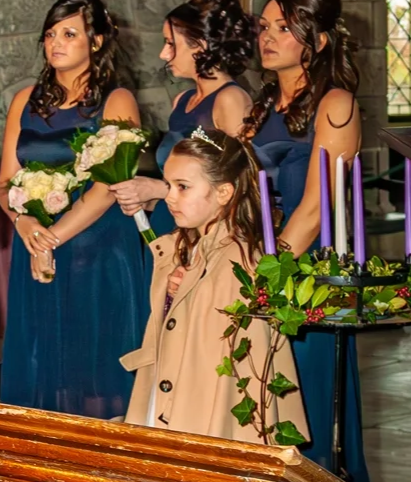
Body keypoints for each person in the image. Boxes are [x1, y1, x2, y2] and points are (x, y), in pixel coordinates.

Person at [0, 0, 152, 418]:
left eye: (69, 33)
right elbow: (6, 181)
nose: (55, 43)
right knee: (42, 368)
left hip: (96, 253)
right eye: (50, 34)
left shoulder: (116, 100)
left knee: (95, 376)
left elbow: (109, 186)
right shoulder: (24, 101)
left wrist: (51, 238)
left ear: (97, 41)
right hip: (36, 250)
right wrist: (25, 223)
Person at [243, 0, 370, 482]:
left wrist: (265, 277)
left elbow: (316, 208)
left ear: (316, 41)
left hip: (306, 277)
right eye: (264, 27)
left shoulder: (335, 104)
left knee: (307, 405)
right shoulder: (262, 104)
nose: (268, 38)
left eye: (284, 28)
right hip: (257, 261)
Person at [122, 128, 308, 444]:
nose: (169, 197)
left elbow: (230, 364)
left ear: (223, 193)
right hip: (172, 390)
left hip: (204, 409)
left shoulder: (238, 260)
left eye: (182, 187)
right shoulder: (187, 244)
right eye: (168, 185)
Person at [107, 0, 255, 239]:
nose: (163, 54)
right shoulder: (182, 100)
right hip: (173, 225)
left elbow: (240, 186)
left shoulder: (230, 100)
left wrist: (156, 188)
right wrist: (150, 200)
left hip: (212, 234)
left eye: (170, 44)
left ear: (199, 47)